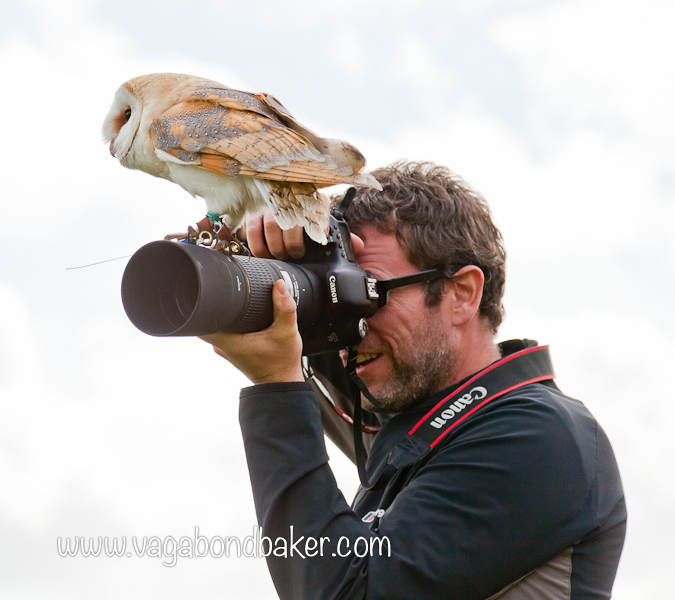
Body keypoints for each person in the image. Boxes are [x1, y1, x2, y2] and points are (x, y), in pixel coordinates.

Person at [200, 161, 626, 599]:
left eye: (368, 292)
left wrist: (276, 384)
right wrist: (254, 238)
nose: (353, 329)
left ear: (461, 294)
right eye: (340, 294)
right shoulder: (413, 423)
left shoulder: (537, 436)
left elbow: (346, 593)